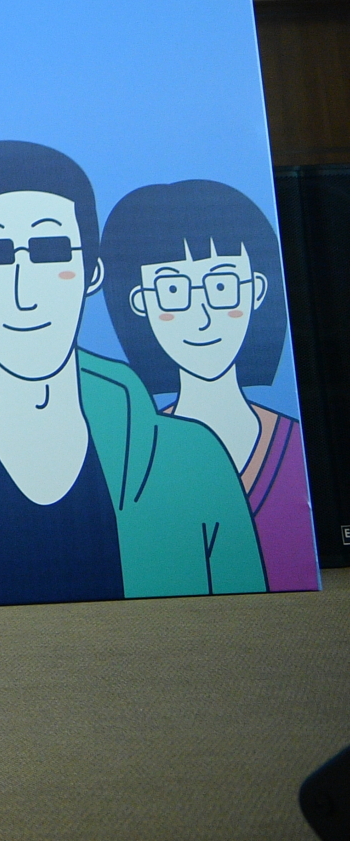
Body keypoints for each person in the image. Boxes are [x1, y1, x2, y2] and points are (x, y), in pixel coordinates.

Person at [0, 142, 265, 606]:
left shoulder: (191, 456)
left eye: (50, 251)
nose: (24, 292)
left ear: (92, 271)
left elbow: (253, 618)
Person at [103, 179, 317, 592]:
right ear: (141, 302)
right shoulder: (132, 455)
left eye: (221, 286)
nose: (200, 317)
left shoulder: (294, 448)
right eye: (172, 290)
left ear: (256, 291)